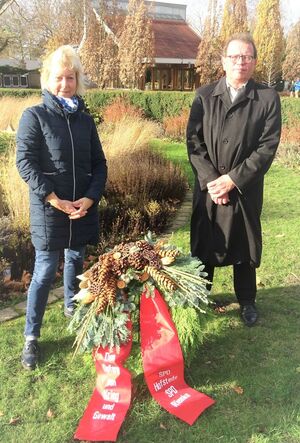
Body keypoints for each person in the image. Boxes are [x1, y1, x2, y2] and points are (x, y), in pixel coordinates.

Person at [16, 45, 107, 369]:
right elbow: (25, 162)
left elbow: (99, 164)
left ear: (78, 80)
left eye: (71, 78)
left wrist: (90, 198)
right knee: (43, 272)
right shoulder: (34, 116)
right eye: (59, 77)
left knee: (76, 259)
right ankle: (31, 337)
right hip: (49, 211)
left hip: (80, 209)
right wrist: (53, 198)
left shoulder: (85, 121)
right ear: (47, 79)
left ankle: (72, 307)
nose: (65, 84)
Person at [186, 33, 281, 327]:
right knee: (206, 243)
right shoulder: (204, 96)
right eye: (235, 56)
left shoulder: (266, 98)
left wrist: (233, 180)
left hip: (244, 189)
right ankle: (201, 296)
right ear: (224, 61)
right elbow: (193, 142)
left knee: (244, 247)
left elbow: (267, 147)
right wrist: (213, 181)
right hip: (209, 190)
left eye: (247, 57)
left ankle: (247, 301)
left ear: (254, 62)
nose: (241, 62)